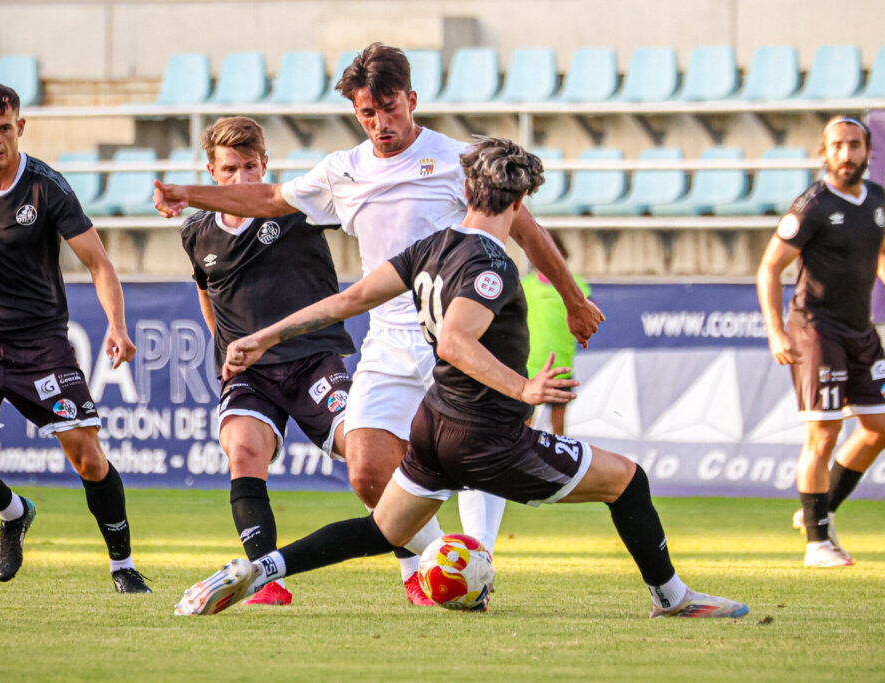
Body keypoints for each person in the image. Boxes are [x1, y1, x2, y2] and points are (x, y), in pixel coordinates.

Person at [173, 137, 749, 619]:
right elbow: (455, 340)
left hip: (434, 428)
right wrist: (523, 389)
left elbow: (349, 298)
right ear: (521, 198)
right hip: (487, 437)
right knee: (628, 480)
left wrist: (263, 335)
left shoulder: (431, 246)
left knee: (382, 530)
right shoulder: (492, 264)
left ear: (466, 189)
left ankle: (259, 568)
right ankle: (671, 598)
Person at [153, 43, 604, 603]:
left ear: (411, 100)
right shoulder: (343, 170)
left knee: (474, 455)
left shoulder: (458, 161)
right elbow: (270, 197)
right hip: (388, 337)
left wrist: (573, 299)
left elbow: (524, 227)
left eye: (389, 108)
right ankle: (444, 562)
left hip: (459, 329)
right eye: (367, 113)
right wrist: (185, 194)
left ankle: (476, 560)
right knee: (367, 470)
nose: (380, 123)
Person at [0, 83, 150, 592]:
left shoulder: (47, 187)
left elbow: (98, 263)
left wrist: (118, 326)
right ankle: (14, 513)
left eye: (4, 128)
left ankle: (122, 565)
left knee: (86, 454)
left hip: (41, 344)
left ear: (21, 127)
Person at [180, 116, 357, 606]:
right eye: (230, 170)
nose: (241, 180)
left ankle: (416, 568)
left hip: (312, 360)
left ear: (266, 165)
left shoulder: (297, 208)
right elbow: (207, 292)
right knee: (242, 451)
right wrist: (225, 348)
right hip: (252, 375)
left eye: (250, 168)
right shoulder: (196, 232)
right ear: (212, 172)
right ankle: (266, 580)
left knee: (363, 455)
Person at [756, 116, 885, 568]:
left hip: (860, 330)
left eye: (854, 145)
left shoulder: (878, 199)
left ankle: (819, 509)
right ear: (824, 152)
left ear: (869, 151)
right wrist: (775, 329)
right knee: (824, 432)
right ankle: (817, 544)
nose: (846, 154)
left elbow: (883, 252)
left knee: (883, 427)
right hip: (815, 329)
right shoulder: (811, 205)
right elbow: (770, 268)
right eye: (838, 146)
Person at [521, 231, 592, 435]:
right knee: (525, 423)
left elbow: (591, 316)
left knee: (558, 429)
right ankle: (522, 464)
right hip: (530, 364)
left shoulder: (577, 285)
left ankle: (558, 466)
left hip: (561, 364)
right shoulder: (525, 286)